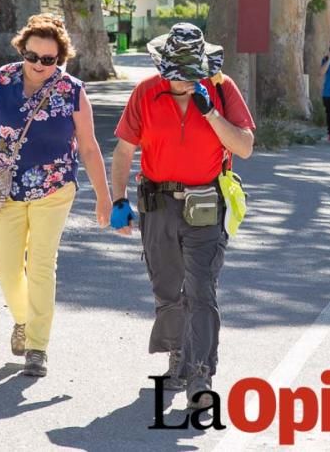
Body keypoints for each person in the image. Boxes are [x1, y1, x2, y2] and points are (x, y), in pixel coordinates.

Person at [0, 14, 112, 378]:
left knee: (40, 265)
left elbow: (88, 147)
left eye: (49, 59)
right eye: (32, 56)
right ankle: (24, 320)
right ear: (22, 50)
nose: (39, 64)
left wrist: (105, 197)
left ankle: (37, 347)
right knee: (4, 266)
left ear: (61, 58)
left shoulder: (72, 90)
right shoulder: (0, 81)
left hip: (54, 189)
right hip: (6, 189)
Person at [109, 23, 255, 410]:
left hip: (206, 202)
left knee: (201, 289)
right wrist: (117, 200)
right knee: (166, 288)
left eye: (190, 73)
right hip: (158, 203)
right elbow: (124, 151)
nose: (183, 82)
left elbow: (244, 146)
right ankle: (177, 353)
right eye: (176, 74)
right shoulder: (145, 93)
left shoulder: (221, 91)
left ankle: (199, 373)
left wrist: (211, 114)